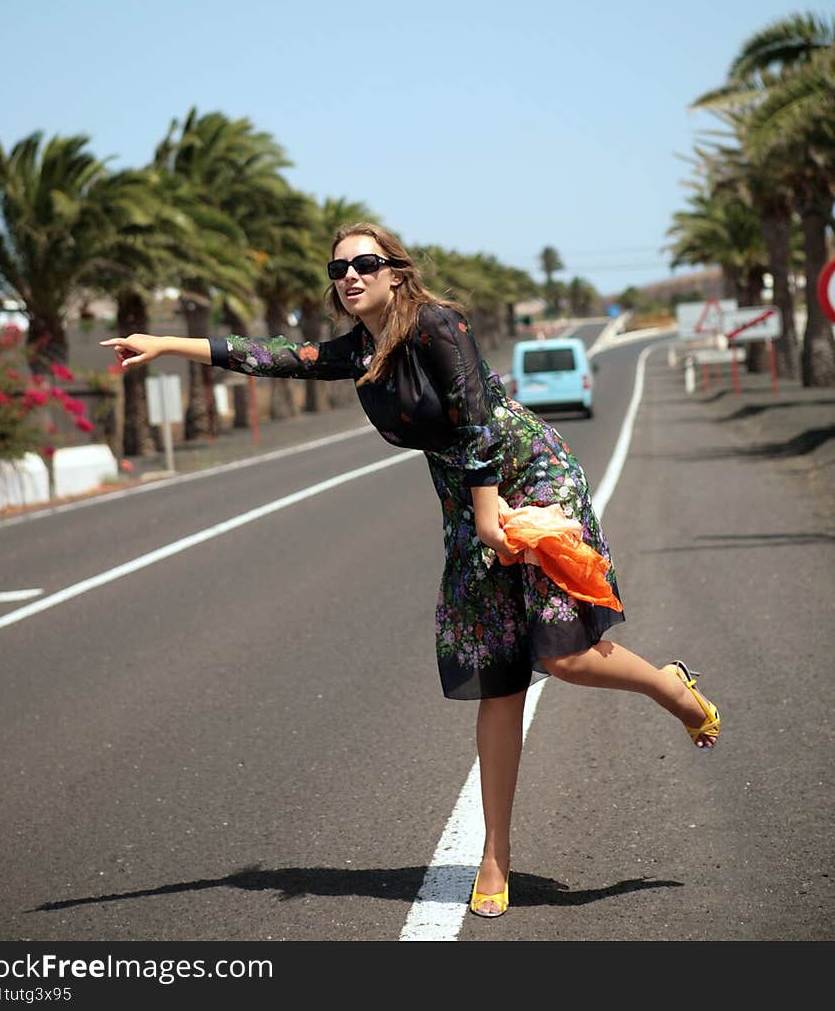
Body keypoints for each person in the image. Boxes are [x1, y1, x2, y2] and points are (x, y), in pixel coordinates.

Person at [102, 222, 721, 920]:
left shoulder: (436, 324)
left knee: (570, 656)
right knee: (499, 673)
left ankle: (671, 690)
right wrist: (165, 344)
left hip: (528, 476)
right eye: (338, 268)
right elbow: (269, 354)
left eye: (365, 263)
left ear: (397, 271)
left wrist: (492, 518)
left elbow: (478, 423)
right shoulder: (359, 350)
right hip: (467, 500)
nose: (350, 276)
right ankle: (495, 855)